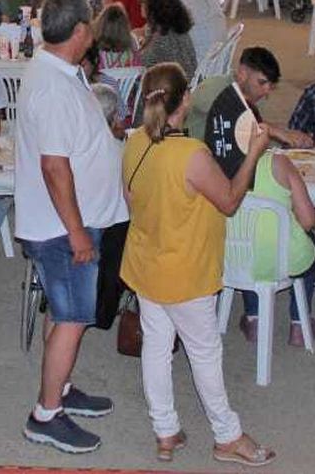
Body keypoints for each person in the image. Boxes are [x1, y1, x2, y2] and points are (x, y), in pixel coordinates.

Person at [120, 63, 276, 465]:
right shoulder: (192, 154)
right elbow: (228, 201)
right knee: (204, 352)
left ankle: (166, 429)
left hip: (146, 263)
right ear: (184, 99)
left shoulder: (135, 142)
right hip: (186, 271)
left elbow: (132, 201)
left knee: (157, 345)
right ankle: (227, 435)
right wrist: (255, 153)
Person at [14, 0, 126, 454]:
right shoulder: (54, 87)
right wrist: (78, 231)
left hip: (70, 221)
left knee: (62, 315)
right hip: (63, 228)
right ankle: (45, 414)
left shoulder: (58, 70)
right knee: (73, 317)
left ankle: (61, 388)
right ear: (79, 31)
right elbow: (54, 167)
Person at [139, 0, 196, 77]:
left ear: (154, 8)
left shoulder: (162, 39)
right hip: (182, 85)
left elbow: (141, 64)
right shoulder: (176, 30)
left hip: (167, 87)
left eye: (143, 0)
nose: (140, 4)